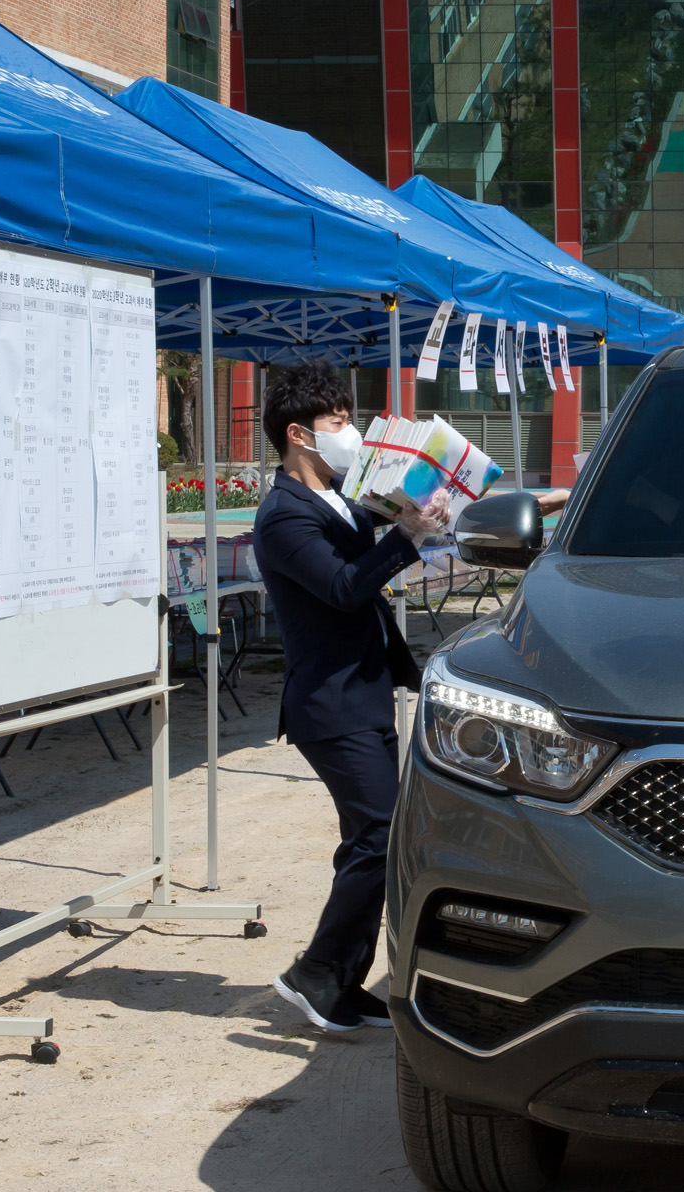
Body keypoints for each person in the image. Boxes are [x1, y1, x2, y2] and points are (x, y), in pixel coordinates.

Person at [254, 362, 448, 1033]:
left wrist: (419, 520)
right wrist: (406, 539)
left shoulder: (338, 497)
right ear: (299, 434)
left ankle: (340, 981)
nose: (351, 433)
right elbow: (342, 587)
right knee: (382, 834)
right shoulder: (283, 515)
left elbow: (370, 565)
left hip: (363, 690)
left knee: (370, 840)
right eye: (339, 423)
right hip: (328, 704)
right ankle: (315, 972)